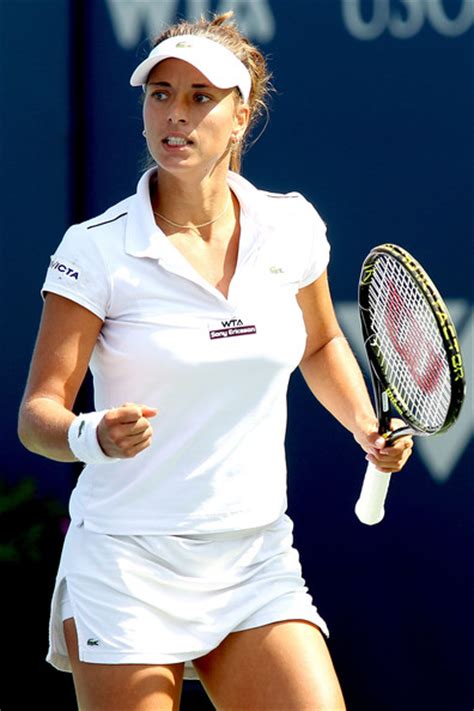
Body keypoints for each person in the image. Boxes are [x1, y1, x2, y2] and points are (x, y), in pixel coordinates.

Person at [18, 11, 413, 711]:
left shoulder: (290, 225)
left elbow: (320, 343)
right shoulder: (95, 249)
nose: (175, 114)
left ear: (241, 117)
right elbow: (38, 414)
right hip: (127, 561)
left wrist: (363, 424)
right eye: (160, 93)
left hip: (254, 554)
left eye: (201, 97)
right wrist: (92, 433)